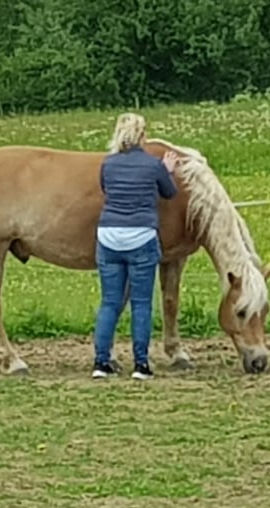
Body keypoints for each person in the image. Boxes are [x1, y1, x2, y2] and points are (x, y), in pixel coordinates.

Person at [92, 112, 180, 380]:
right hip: (141, 237)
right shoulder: (153, 165)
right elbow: (170, 192)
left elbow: (107, 189)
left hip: (108, 236)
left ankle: (100, 362)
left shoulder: (108, 164)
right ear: (142, 135)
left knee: (109, 302)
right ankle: (141, 365)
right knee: (141, 303)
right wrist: (167, 171)